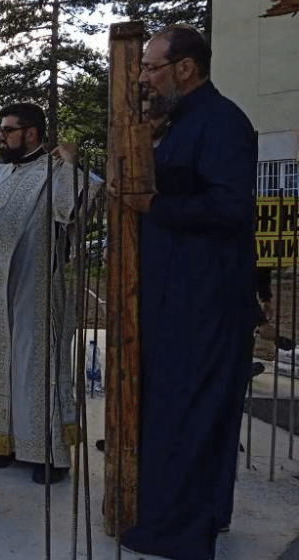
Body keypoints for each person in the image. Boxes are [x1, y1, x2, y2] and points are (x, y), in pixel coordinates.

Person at [117, 25, 257, 560]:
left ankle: (179, 533)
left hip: (204, 300)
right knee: (182, 409)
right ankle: (199, 516)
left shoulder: (221, 123)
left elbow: (230, 209)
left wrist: (153, 205)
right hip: (181, 295)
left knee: (190, 410)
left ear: (185, 68)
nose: (146, 78)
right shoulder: (182, 121)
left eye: (152, 67)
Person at [0, 102, 100, 485]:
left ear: (32, 133)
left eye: (9, 130)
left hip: (34, 284)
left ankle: (47, 452)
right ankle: (2, 441)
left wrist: (73, 165)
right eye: (1, 131)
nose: (2, 137)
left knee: (34, 364)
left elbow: (78, 210)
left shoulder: (57, 170)